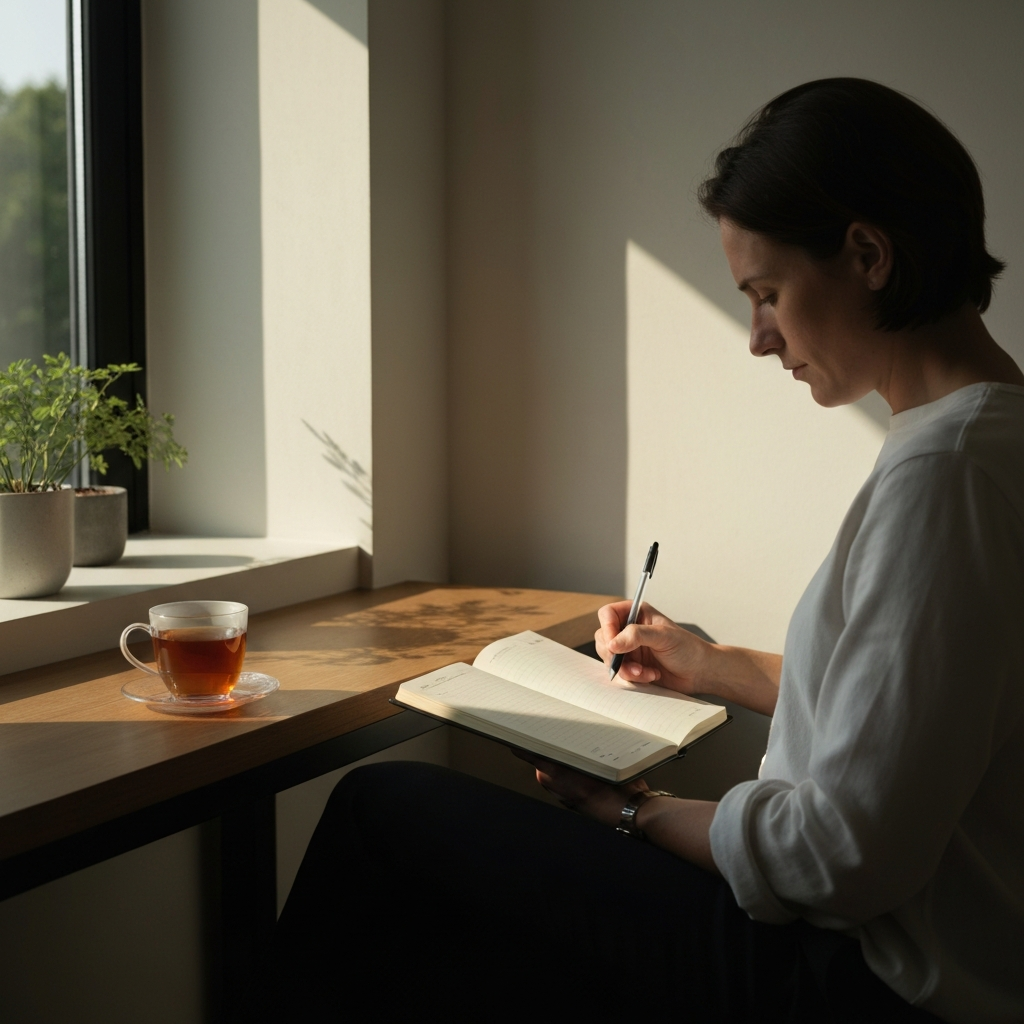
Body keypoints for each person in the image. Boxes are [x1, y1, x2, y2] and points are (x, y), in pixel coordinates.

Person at [269, 79, 1024, 1023]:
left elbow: (840, 857)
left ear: (868, 254)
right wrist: (712, 666)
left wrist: (629, 810)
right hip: (914, 959)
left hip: (867, 983)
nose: (758, 339)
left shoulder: (945, 476)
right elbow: (924, 720)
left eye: (768, 294)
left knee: (382, 816)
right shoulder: (988, 442)